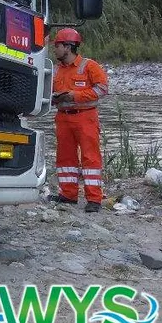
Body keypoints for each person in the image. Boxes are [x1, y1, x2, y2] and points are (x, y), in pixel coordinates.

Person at [49, 28, 109, 213]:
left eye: (57, 46)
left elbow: (102, 89)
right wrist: (55, 98)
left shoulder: (89, 66)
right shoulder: (56, 70)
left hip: (86, 117)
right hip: (63, 118)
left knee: (90, 158)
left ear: (68, 47)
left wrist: (74, 96)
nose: (55, 49)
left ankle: (94, 199)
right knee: (65, 158)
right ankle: (68, 195)